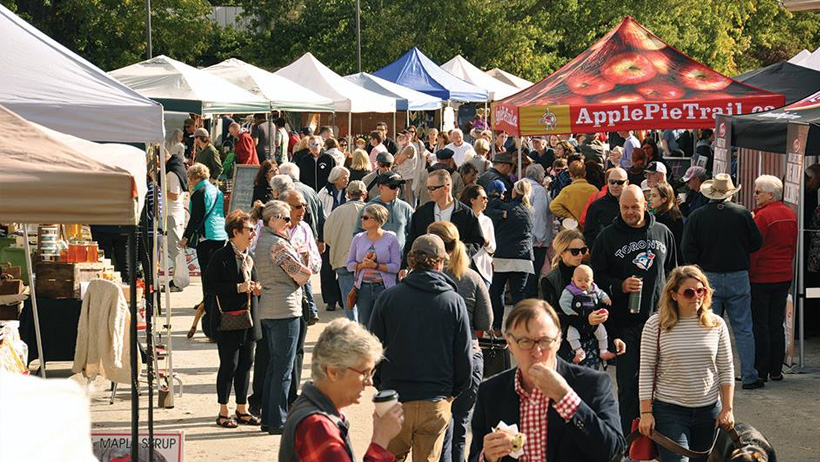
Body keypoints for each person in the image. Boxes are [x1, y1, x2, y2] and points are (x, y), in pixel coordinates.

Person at [469, 299, 625, 462]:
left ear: (558, 340)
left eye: (545, 341)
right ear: (510, 344)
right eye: (525, 341)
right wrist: (486, 457)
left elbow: (613, 452)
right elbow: (474, 456)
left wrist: (564, 397)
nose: (536, 352)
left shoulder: (591, 383)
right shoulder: (490, 392)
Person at [369, 234, 473, 462]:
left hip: (395, 400)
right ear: (440, 262)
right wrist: (453, 393)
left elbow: (372, 350)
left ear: (411, 261)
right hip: (435, 401)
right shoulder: (453, 301)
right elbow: (464, 356)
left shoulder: (388, 298)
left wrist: (381, 386)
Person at [590, 184, 678, 436]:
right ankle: (628, 441)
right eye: (625, 207)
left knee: (663, 385)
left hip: (662, 322)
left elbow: (674, 273)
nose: (630, 212)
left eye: (634, 207)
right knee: (629, 385)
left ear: (645, 205)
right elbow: (594, 281)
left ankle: (662, 438)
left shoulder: (662, 232)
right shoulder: (607, 237)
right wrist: (619, 285)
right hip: (625, 325)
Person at [638, 266, 735, 462]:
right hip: (669, 411)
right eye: (689, 292)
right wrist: (646, 412)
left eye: (701, 291)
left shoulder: (716, 324)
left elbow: (726, 368)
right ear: (673, 295)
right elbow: (646, 370)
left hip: (709, 412)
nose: (696, 297)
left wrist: (727, 408)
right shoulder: (656, 325)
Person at [279, 318, 404, 462]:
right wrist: (381, 439)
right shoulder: (318, 426)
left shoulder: (311, 405)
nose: (369, 382)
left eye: (371, 373)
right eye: (364, 373)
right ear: (333, 372)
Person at [681, 173, 764, 390]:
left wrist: (698, 268)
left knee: (707, 327)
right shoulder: (742, 213)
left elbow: (687, 249)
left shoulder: (697, 216)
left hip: (708, 276)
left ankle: (709, 378)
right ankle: (749, 375)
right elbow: (756, 243)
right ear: (729, 193)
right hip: (738, 274)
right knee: (744, 328)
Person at [427, 222, 492, 462]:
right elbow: (486, 321)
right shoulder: (472, 277)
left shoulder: (424, 279)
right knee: (461, 423)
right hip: (469, 354)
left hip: (436, 358)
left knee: (441, 424)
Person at [251, 200, 313, 435]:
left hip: (269, 307)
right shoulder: (277, 244)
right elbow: (301, 275)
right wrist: (303, 262)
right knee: (283, 368)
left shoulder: (263, 241)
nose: (290, 222)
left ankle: (269, 417)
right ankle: (277, 420)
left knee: (274, 366)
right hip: (284, 309)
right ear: (274, 219)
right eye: (287, 218)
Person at [204, 210, 262, 428]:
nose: (253, 234)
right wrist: (238, 288)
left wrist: (257, 288)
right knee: (229, 364)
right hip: (227, 319)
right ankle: (222, 411)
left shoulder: (248, 256)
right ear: (236, 232)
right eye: (249, 230)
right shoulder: (221, 256)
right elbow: (209, 286)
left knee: (246, 364)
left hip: (249, 319)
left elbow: (255, 282)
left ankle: (241, 408)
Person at [749, 175, 797, 382]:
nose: (755, 195)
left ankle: (762, 368)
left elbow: (755, 249)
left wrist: (749, 273)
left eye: (758, 191)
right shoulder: (790, 214)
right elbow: (793, 246)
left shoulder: (763, 217)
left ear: (770, 194)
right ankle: (776, 369)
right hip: (783, 274)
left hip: (762, 276)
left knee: (761, 324)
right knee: (776, 323)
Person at [405, 169, 485, 268]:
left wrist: (458, 253)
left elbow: (477, 240)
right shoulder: (422, 212)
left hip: (455, 268)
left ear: (446, 188)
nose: (429, 192)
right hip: (427, 267)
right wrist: (404, 266)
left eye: (432, 188)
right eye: (428, 188)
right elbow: (412, 240)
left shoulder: (465, 213)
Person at [486, 180, 534, 333]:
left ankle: (497, 327)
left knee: (497, 292)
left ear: (513, 192)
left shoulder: (505, 209)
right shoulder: (529, 211)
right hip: (523, 257)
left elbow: (488, 212)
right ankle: (518, 329)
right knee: (519, 294)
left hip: (502, 256)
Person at [348, 204, 402, 327]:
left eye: (366, 217)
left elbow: (395, 267)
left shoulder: (391, 238)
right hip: (363, 289)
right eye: (362, 217)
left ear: (378, 220)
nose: (362, 220)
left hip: (384, 288)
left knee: (385, 324)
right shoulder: (358, 238)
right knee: (365, 326)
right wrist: (363, 265)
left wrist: (375, 266)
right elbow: (350, 264)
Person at [324, 181, 368, 321]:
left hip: (342, 261)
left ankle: (353, 332)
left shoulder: (336, 212)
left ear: (348, 194)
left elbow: (327, 237)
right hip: (366, 262)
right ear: (364, 194)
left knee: (349, 301)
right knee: (366, 302)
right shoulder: (370, 210)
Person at [182, 163, 228, 288]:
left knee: (206, 271)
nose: (190, 181)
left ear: (197, 177)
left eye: (191, 178)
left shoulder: (199, 192)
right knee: (217, 270)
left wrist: (186, 237)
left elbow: (196, 218)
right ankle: (215, 301)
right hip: (220, 234)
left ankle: (207, 301)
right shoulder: (216, 191)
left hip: (207, 234)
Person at [558, 265, 615, 364]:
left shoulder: (594, 289)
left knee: (602, 332)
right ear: (573, 279)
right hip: (576, 322)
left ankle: (603, 351)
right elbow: (563, 302)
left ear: (592, 280)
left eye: (586, 280)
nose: (583, 283)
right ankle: (579, 351)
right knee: (571, 335)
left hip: (593, 323)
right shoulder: (570, 290)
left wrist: (605, 298)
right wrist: (571, 312)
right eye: (579, 280)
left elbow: (601, 293)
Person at [318, 166, 350, 312]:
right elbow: (320, 216)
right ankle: (330, 300)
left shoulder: (348, 193)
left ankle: (341, 296)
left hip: (344, 236)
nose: (346, 180)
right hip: (328, 235)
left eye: (347, 177)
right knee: (327, 269)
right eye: (344, 178)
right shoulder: (324, 194)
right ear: (335, 179)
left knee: (344, 267)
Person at [355, 172, 414, 252]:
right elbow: (358, 234)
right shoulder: (368, 209)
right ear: (381, 187)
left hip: (399, 260)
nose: (397, 189)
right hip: (375, 260)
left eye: (399, 186)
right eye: (392, 186)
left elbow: (412, 233)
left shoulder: (406, 208)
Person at [522, 164, 552, 298]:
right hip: (535, 240)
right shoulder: (539, 190)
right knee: (533, 273)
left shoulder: (519, 185)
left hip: (522, 237)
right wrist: (540, 237)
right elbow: (539, 214)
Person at [584, 168, 627, 248]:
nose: (615, 185)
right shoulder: (596, 206)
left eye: (620, 182)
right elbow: (588, 233)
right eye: (612, 182)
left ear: (627, 183)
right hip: (605, 254)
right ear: (607, 182)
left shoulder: (632, 204)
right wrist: (596, 251)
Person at [461, 185, 495, 287]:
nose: (486, 201)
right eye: (483, 198)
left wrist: (486, 241)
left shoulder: (487, 221)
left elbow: (493, 248)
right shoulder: (461, 218)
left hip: (482, 268)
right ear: (472, 200)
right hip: (464, 266)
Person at [164, 147, 188, 293]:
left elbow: (173, 194)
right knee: (175, 249)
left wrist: (159, 187)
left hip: (173, 214)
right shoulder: (176, 170)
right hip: (175, 213)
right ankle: (178, 279)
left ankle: (179, 281)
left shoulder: (172, 174)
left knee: (175, 250)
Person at [649, 182, 684, 262]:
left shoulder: (664, 219)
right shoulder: (675, 215)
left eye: (654, 196)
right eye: (650, 195)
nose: (650, 198)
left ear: (664, 199)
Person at [395, 130, 418, 205]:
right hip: (402, 177)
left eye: (402, 136)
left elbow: (398, 161)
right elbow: (394, 158)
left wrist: (397, 157)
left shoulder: (410, 148)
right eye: (399, 136)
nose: (400, 138)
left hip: (408, 179)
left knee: (409, 202)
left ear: (407, 137)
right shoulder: (401, 147)